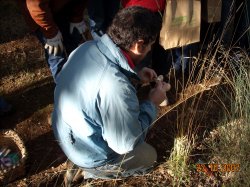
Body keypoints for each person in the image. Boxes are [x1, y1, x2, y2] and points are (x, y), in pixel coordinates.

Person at [52, 6, 171, 185]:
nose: (149, 50)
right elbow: (125, 144)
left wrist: (136, 76)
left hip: (67, 133)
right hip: (89, 152)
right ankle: (92, 171)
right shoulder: (117, 87)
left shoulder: (86, 47)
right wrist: (152, 103)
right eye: (150, 45)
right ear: (139, 44)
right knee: (149, 156)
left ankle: (81, 160)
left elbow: (99, 84)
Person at [122, 0, 199, 77]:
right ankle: (152, 79)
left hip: (148, 9)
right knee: (151, 52)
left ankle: (155, 80)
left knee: (155, 51)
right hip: (147, 9)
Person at [17, 0, 88, 83]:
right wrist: (51, 34)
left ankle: (80, 82)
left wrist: (77, 17)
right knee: (56, 54)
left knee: (73, 46)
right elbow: (35, 6)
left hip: (63, 7)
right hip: (40, 15)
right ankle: (64, 89)